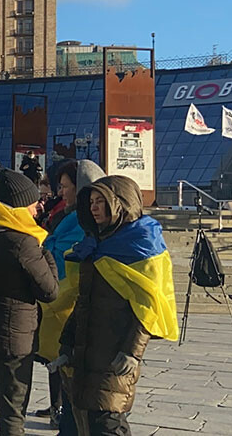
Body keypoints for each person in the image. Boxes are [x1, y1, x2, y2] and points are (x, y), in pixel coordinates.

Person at [47, 175, 178, 435]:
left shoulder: (142, 246)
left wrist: (132, 352)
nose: (94, 207)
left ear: (121, 203)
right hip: (84, 350)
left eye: (101, 202)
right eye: (92, 202)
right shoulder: (94, 244)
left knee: (108, 421)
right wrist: (67, 345)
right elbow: (83, 301)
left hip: (113, 353)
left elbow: (149, 306)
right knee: (77, 422)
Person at [0, 169, 59, 436]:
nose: (38, 206)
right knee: (12, 411)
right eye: (33, 202)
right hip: (15, 341)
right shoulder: (24, 242)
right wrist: (45, 252)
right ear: (18, 205)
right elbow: (49, 291)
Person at [33, 159, 105, 432]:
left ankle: (61, 409)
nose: (61, 192)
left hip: (67, 300)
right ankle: (60, 409)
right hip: (61, 297)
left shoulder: (82, 220)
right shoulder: (69, 214)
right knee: (60, 362)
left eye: (65, 186)